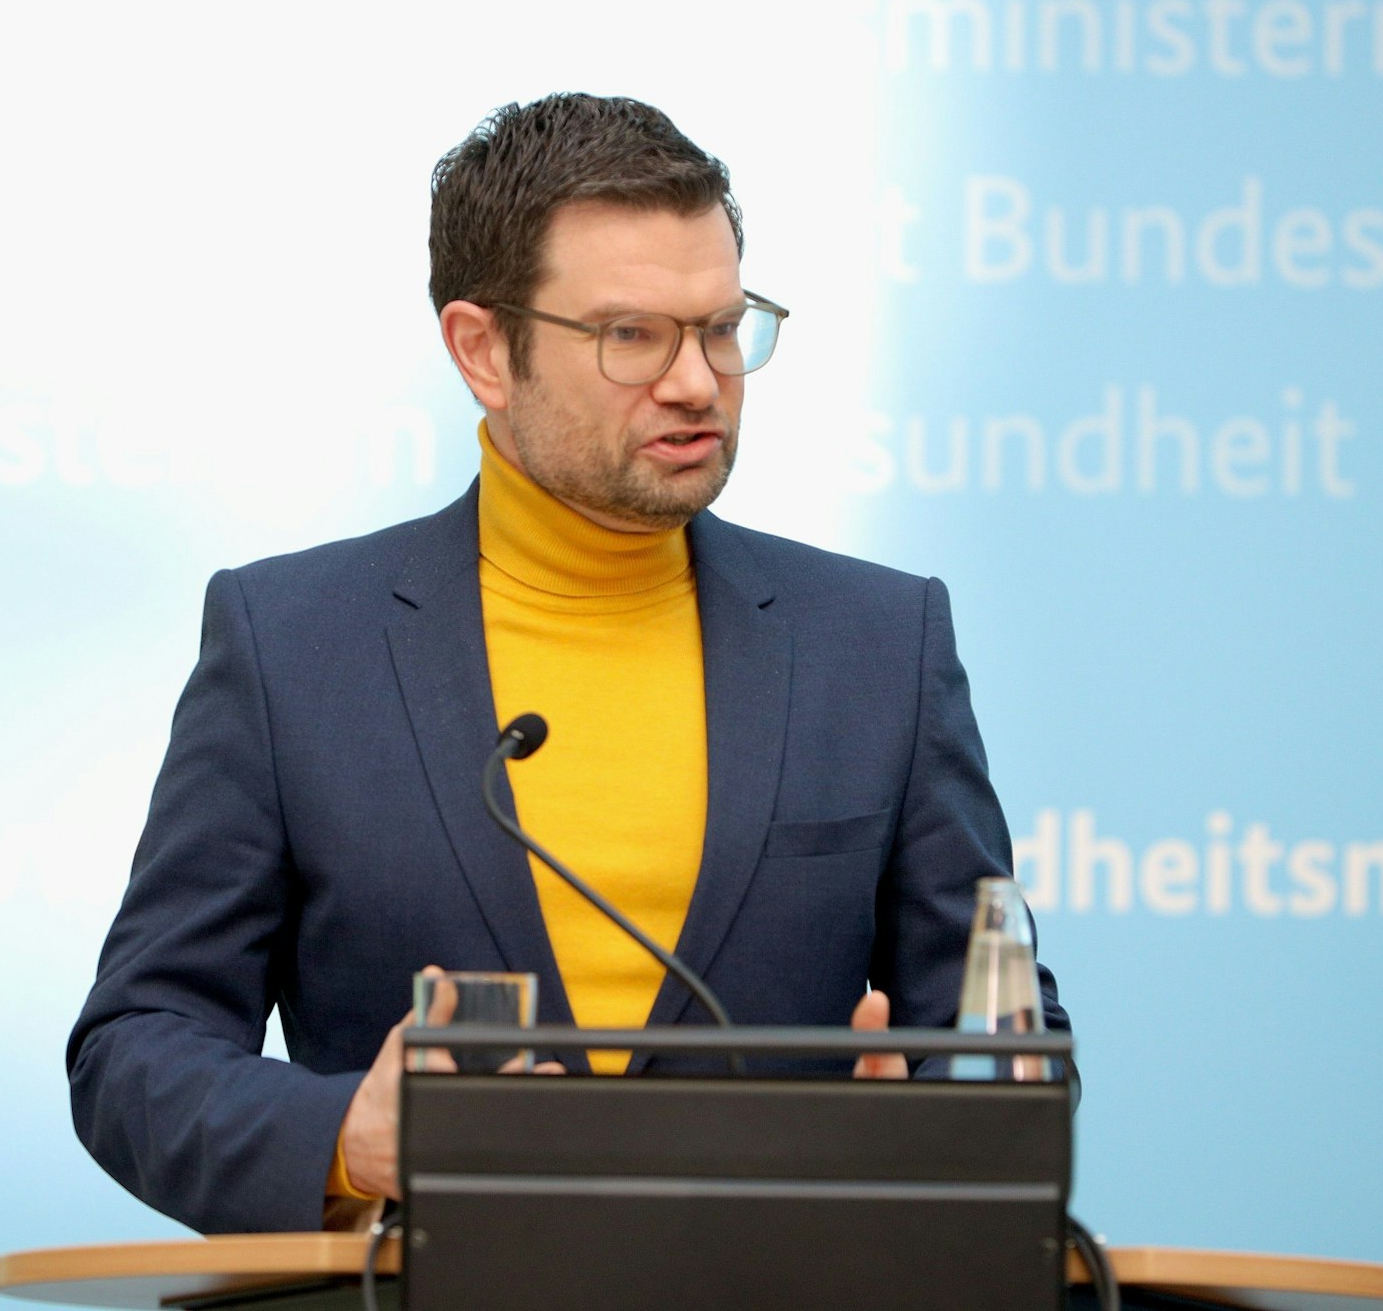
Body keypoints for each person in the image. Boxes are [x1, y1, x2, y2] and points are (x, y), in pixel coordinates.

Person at [67, 93, 1069, 1235]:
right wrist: (348, 1136)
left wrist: (941, 1139)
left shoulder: (877, 643)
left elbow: (1002, 1035)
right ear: (483, 350)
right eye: (631, 335)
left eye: (722, 327)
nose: (696, 381)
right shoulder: (292, 643)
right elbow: (135, 1047)